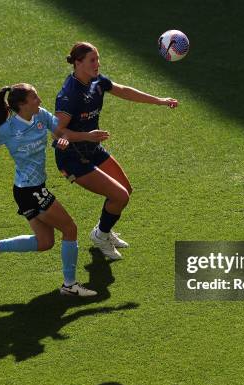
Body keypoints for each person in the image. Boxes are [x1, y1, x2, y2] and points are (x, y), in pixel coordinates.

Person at [0, 83, 109, 297]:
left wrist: (81, 137)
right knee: (70, 229)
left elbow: (60, 133)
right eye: (35, 98)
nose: (40, 101)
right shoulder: (8, 129)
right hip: (29, 191)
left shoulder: (41, 116)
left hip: (29, 190)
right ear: (21, 104)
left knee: (45, 242)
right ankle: (69, 285)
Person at [55, 42, 178, 260]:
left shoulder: (97, 82)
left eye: (98, 59)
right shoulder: (69, 94)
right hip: (72, 158)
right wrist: (87, 135)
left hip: (92, 148)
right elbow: (57, 133)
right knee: (118, 196)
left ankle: (103, 230)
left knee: (125, 190)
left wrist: (159, 101)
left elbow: (125, 91)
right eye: (92, 60)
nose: (97, 64)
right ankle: (100, 236)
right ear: (78, 63)